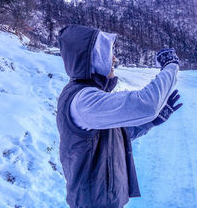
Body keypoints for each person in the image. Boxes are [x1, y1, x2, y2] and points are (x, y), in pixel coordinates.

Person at [56, 24, 183, 208]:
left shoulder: (92, 97)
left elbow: (117, 137)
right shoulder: (83, 101)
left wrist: (152, 122)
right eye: (107, 53)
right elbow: (147, 104)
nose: (114, 58)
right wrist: (170, 66)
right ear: (92, 59)